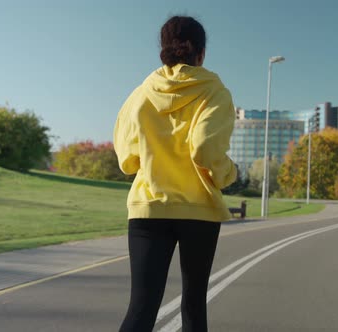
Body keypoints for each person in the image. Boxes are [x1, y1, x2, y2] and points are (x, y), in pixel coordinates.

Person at [114, 15, 237, 332]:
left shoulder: (141, 93)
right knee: (194, 306)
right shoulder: (215, 91)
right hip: (198, 211)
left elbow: (127, 160)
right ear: (201, 53)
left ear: (164, 49)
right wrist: (226, 174)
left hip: (148, 207)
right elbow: (204, 150)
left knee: (141, 309)